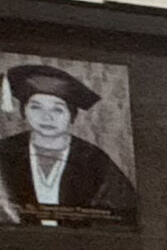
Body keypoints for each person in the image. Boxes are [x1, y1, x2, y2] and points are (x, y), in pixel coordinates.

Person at [0, 64, 138, 229]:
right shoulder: (5, 151)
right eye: (36, 107)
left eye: (57, 110)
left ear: (72, 115)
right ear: (24, 111)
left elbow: (123, 214)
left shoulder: (93, 159)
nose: (46, 117)